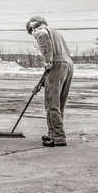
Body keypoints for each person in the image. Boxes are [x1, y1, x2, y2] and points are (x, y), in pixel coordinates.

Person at [26, 16, 74, 147]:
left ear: (32, 27)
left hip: (57, 65)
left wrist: (48, 61)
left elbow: (48, 53)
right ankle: (53, 133)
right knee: (59, 103)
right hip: (67, 64)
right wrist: (41, 83)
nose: (33, 35)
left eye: (31, 33)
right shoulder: (55, 32)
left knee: (51, 104)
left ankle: (57, 138)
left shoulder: (40, 31)